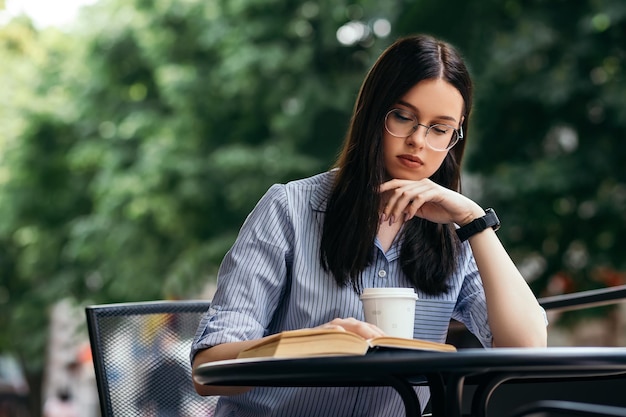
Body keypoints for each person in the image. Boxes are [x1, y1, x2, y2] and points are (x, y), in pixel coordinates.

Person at [190, 33, 547, 416]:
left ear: (454, 138)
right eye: (403, 117)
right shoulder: (290, 208)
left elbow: (526, 350)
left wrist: (475, 222)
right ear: (373, 114)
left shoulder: (455, 234)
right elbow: (209, 370)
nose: (417, 141)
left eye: (439, 129)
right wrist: (311, 345)